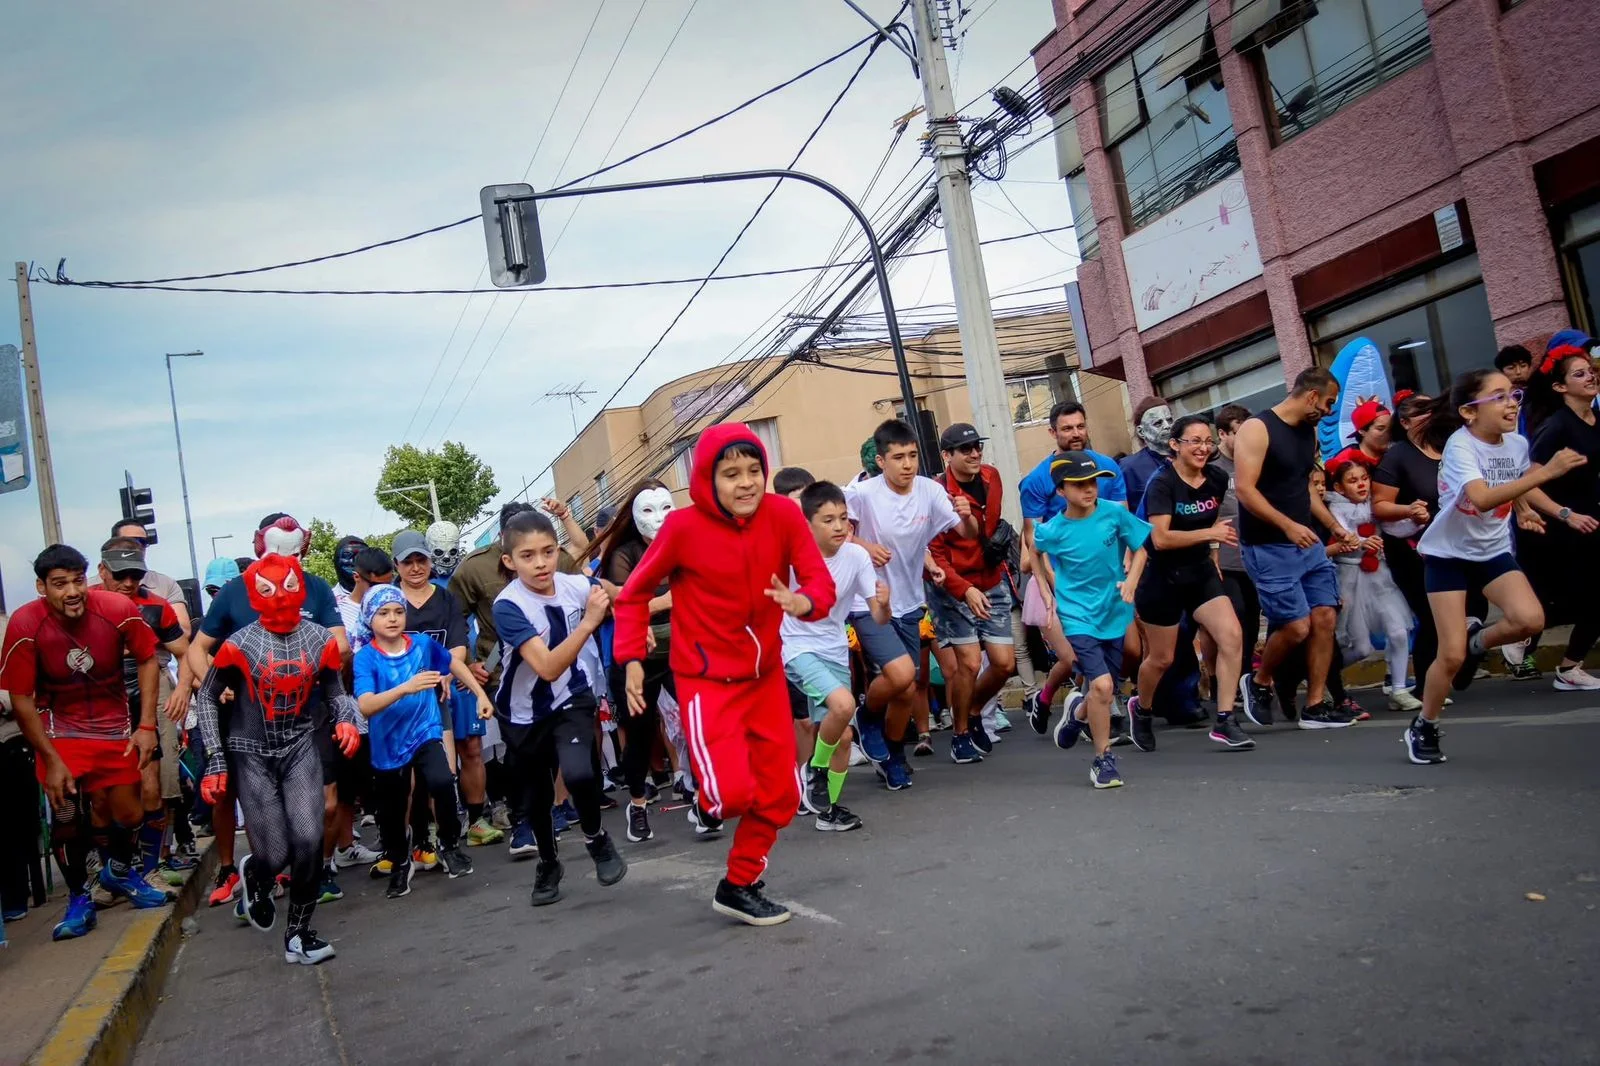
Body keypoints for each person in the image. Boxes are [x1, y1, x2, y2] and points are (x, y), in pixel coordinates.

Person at [613, 423, 836, 926]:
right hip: (705, 680)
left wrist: (805, 601)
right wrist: (630, 658)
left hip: (764, 678)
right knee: (732, 793)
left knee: (782, 793)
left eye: (754, 470)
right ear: (707, 482)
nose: (746, 483)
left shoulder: (783, 515)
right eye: (731, 473)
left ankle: (739, 884)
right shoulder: (682, 529)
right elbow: (632, 594)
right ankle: (708, 793)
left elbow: (817, 578)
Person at [1407, 369, 1591, 763]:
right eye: (1499, 397)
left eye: (1514, 395)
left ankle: (1478, 642)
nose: (1511, 404)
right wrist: (1548, 471)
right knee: (1450, 656)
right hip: (1448, 556)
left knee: (1530, 620)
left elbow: (1522, 482)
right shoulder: (1460, 448)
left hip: (1491, 550)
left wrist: (1561, 512)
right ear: (1470, 412)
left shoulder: (1516, 443)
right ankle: (1425, 724)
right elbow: (1483, 497)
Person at [194, 553, 360, 964]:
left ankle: (299, 934)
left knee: (308, 840)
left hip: (299, 743)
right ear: (254, 595)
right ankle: (259, 871)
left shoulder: (319, 640)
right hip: (250, 753)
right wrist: (215, 758)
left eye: (288, 588)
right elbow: (207, 695)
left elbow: (335, 692)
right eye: (268, 591)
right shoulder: (239, 644)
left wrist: (346, 720)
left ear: (300, 589)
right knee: (277, 852)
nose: (280, 599)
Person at [0, 545, 170, 940]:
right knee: (67, 816)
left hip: (113, 726)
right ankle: (79, 897)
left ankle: (119, 872)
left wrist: (146, 725)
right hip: (60, 729)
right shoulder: (25, 625)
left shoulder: (115, 608)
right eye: (60, 584)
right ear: (42, 587)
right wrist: (50, 757)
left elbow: (148, 658)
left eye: (78, 580)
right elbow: (21, 698)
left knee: (129, 814)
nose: (72, 591)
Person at [493, 510, 626, 907]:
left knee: (579, 771)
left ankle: (596, 838)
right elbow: (547, 667)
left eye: (548, 552)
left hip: (572, 697)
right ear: (510, 562)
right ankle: (548, 863)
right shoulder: (508, 606)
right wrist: (589, 623)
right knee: (534, 798)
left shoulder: (574, 584)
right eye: (529, 555)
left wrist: (636, 636)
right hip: (522, 712)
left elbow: (625, 597)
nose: (541, 564)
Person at [844, 419, 977, 790]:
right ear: (881, 461)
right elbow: (837, 531)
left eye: (913, 456)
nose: (907, 465)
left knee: (908, 685)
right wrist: (865, 547)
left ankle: (891, 753)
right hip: (867, 598)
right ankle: (867, 715)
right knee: (903, 677)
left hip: (909, 600)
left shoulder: (928, 491)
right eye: (898, 457)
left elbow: (964, 533)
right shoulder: (861, 494)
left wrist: (966, 517)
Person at [1233, 368, 1359, 729]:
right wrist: (1287, 526)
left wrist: (1335, 528)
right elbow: (1245, 489)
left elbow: (1304, 488)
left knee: (1325, 617)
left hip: (1308, 543)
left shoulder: (1309, 432)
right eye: (1329, 402)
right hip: (1269, 546)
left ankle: (1316, 705)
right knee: (1296, 627)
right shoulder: (1257, 429)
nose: (1330, 411)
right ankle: (1258, 682)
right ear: (1311, 396)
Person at [353, 585, 495, 897]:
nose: (392, 619)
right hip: (389, 742)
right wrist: (407, 687)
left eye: (399, 611)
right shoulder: (365, 658)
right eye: (383, 613)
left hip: (425, 730)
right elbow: (365, 705)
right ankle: (401, 860)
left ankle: (449, 845)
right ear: (369, 618)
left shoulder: (421, 644)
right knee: (391, 808)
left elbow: (453, 663)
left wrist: (480, 693)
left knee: (442, 780)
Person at [1029, 453, 1151, 789]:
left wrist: (1131, 581)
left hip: (1114, 609)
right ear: (1061, 491)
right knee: (1103, 687)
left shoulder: (1114, 514)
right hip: (1077, 615)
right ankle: (1103, 760)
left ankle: (1078, 714)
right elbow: (1033, 554)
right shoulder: (1053, 530)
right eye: (1079, 484)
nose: (1089, 489)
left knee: (1105, 686)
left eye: (1093, 482)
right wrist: (1045, 590)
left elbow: (1141, 549)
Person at [1131, 416, 1250, 751]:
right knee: (1162, 659)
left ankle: (1225, 719)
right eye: (1194, 441)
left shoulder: (1215, 477)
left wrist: (1211, 554)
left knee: (1231, 636)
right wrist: (1211, 534)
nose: (1203, 448)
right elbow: (1162, 538)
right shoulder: (1162, 483)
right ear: (1175, 445)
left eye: (1207, 441)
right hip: (1162, 578)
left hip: (1199, 572)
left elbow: (1211, 517)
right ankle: (1141, 708)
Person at [1018, 401, 1128, 735]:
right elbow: (1032, 542)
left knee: (1119, 649)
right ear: (1053, 432)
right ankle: (1054, 698)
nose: (1075, 433)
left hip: (1106, 579)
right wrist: (1054, 584)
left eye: (1080, 426)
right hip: (1058, 580)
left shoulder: (1109, 468)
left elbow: (1122, 525)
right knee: (1071, 656)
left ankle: (1086, 704)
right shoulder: (1037, 480)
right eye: (1067, 428)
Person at [583, 479, 681, 845]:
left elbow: (699, 588)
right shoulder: (623, 553)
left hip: (683, 651)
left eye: (666, 508)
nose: (658, 519)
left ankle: (706, 795)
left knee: (699, 718)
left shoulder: (684, 544)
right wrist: (669, 598)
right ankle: (637, 803)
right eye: (648, 510)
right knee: (638, 735)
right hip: (635, 656)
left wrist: (646, 602)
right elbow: (623, 602)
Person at [785, 480, 886, 832]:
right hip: (796, 648)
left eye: (843, 518)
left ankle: (828, 811)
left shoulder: (857, 556)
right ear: (807, 523)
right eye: (828, 520)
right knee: (844, 706)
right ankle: (814, 769)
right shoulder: (789, 558)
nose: (840, 526)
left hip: (835, 649)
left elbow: (878, 616)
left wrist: (884, 604)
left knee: (843, 736)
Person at [97, 538, 195, 891]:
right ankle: (111, 873)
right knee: (103, 796)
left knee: (153, 784)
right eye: (120, 575)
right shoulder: (86, 603)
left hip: (147, 690)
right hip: (99, 701)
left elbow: (187, 652)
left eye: (135, 575)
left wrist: (184, 688)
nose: (127, 583)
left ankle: (149, 869)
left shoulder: (156, 607)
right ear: (103, 571)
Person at [927, 423, 1017, 765]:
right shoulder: (937, 495)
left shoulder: (992, 477)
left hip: (991, 579)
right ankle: (960, 733)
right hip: (951, 586)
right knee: (968, 662)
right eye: (965, 449)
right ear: (947, 456)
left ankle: (975, 709)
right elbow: (933, 556)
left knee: (1004, 663)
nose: (975, 453)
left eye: (977, 446)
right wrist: (964, 590)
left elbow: (990, 526)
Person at [1513, 343, 1600, 691]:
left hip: (1593, 519)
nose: (1590, 376)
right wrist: (1566, 514)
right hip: (1565, 526)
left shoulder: (1595, 419)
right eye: (1579, 373)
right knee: (1578, 599)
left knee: (1592, 599)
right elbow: (1528, 484)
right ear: (1560, 387)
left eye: (1590, 370)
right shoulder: (1556, 426)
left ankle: (1568, 667)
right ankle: (1519, 636)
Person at [1325, 458, 1417, 710]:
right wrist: (1360, 542)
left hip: (1379, 577)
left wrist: (1415, 518)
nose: (1361, 484)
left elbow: (1393, 527)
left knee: (1399, 631)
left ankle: (1398, 690)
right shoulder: (1335, 509)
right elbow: (1343, 533)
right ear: (1340, 487)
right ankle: (1319, 675)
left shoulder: (1374, 505)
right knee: (1359, 648)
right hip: (1350, 578)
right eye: (1353, 481)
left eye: (1364, 478)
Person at [1212, 404, 1260, 704]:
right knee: (1236, 617)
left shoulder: (1252, 460)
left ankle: (1243, 680)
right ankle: (1224, 683)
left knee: (1253, 619)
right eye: (1238, 434)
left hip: (1253, 554)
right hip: (1223, 559)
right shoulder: (1213, 467)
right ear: (1223, 434)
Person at [109, 518, 193, 634]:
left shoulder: (166, 584)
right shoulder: (90, 587)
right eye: (130, 542)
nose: (137, 546)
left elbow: (184, 631)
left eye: (142, 542)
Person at [1119, 396, 1174, 513]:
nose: (1167, 426)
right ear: (1141, 431)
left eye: (1169, 420)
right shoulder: (1129, 468)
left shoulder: (1187, 456)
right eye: (1158, 423)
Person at [1327, 400, 1392, 472]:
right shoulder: (1345, 459)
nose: (1387, 433)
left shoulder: (1393, 455)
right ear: (1362, 430)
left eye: (1390, 428)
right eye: (1380, 429)